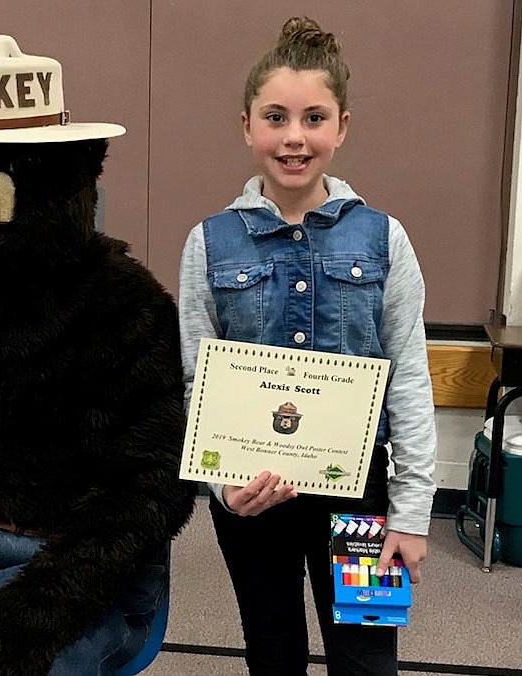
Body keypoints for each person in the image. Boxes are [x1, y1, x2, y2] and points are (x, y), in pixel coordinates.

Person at [178, 16, 436, 676]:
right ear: (247, 126)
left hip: (361, 501)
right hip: (251, 501)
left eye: (314, 118)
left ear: (341, 126)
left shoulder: (384, 239)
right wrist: (223, 485)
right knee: (272, 654)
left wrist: (409, 514)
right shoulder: (209, 243)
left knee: (368, 660)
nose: (294, 137)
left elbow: (406, 377)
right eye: (275, 118)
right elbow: (194, 380)